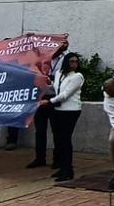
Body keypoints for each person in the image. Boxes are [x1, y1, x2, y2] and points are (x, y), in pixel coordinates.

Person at [34, 52, 84, 182]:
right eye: (71, 61)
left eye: (76, 62)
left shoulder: (78, 76)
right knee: (60, 139)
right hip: (59, 109)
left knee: (65, 139)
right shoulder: (59, 74)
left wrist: (49, 102)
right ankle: (63, 167)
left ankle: (67, 169)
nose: (74, 64)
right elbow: (58, 90)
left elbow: (66, 94)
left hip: (71, 110)